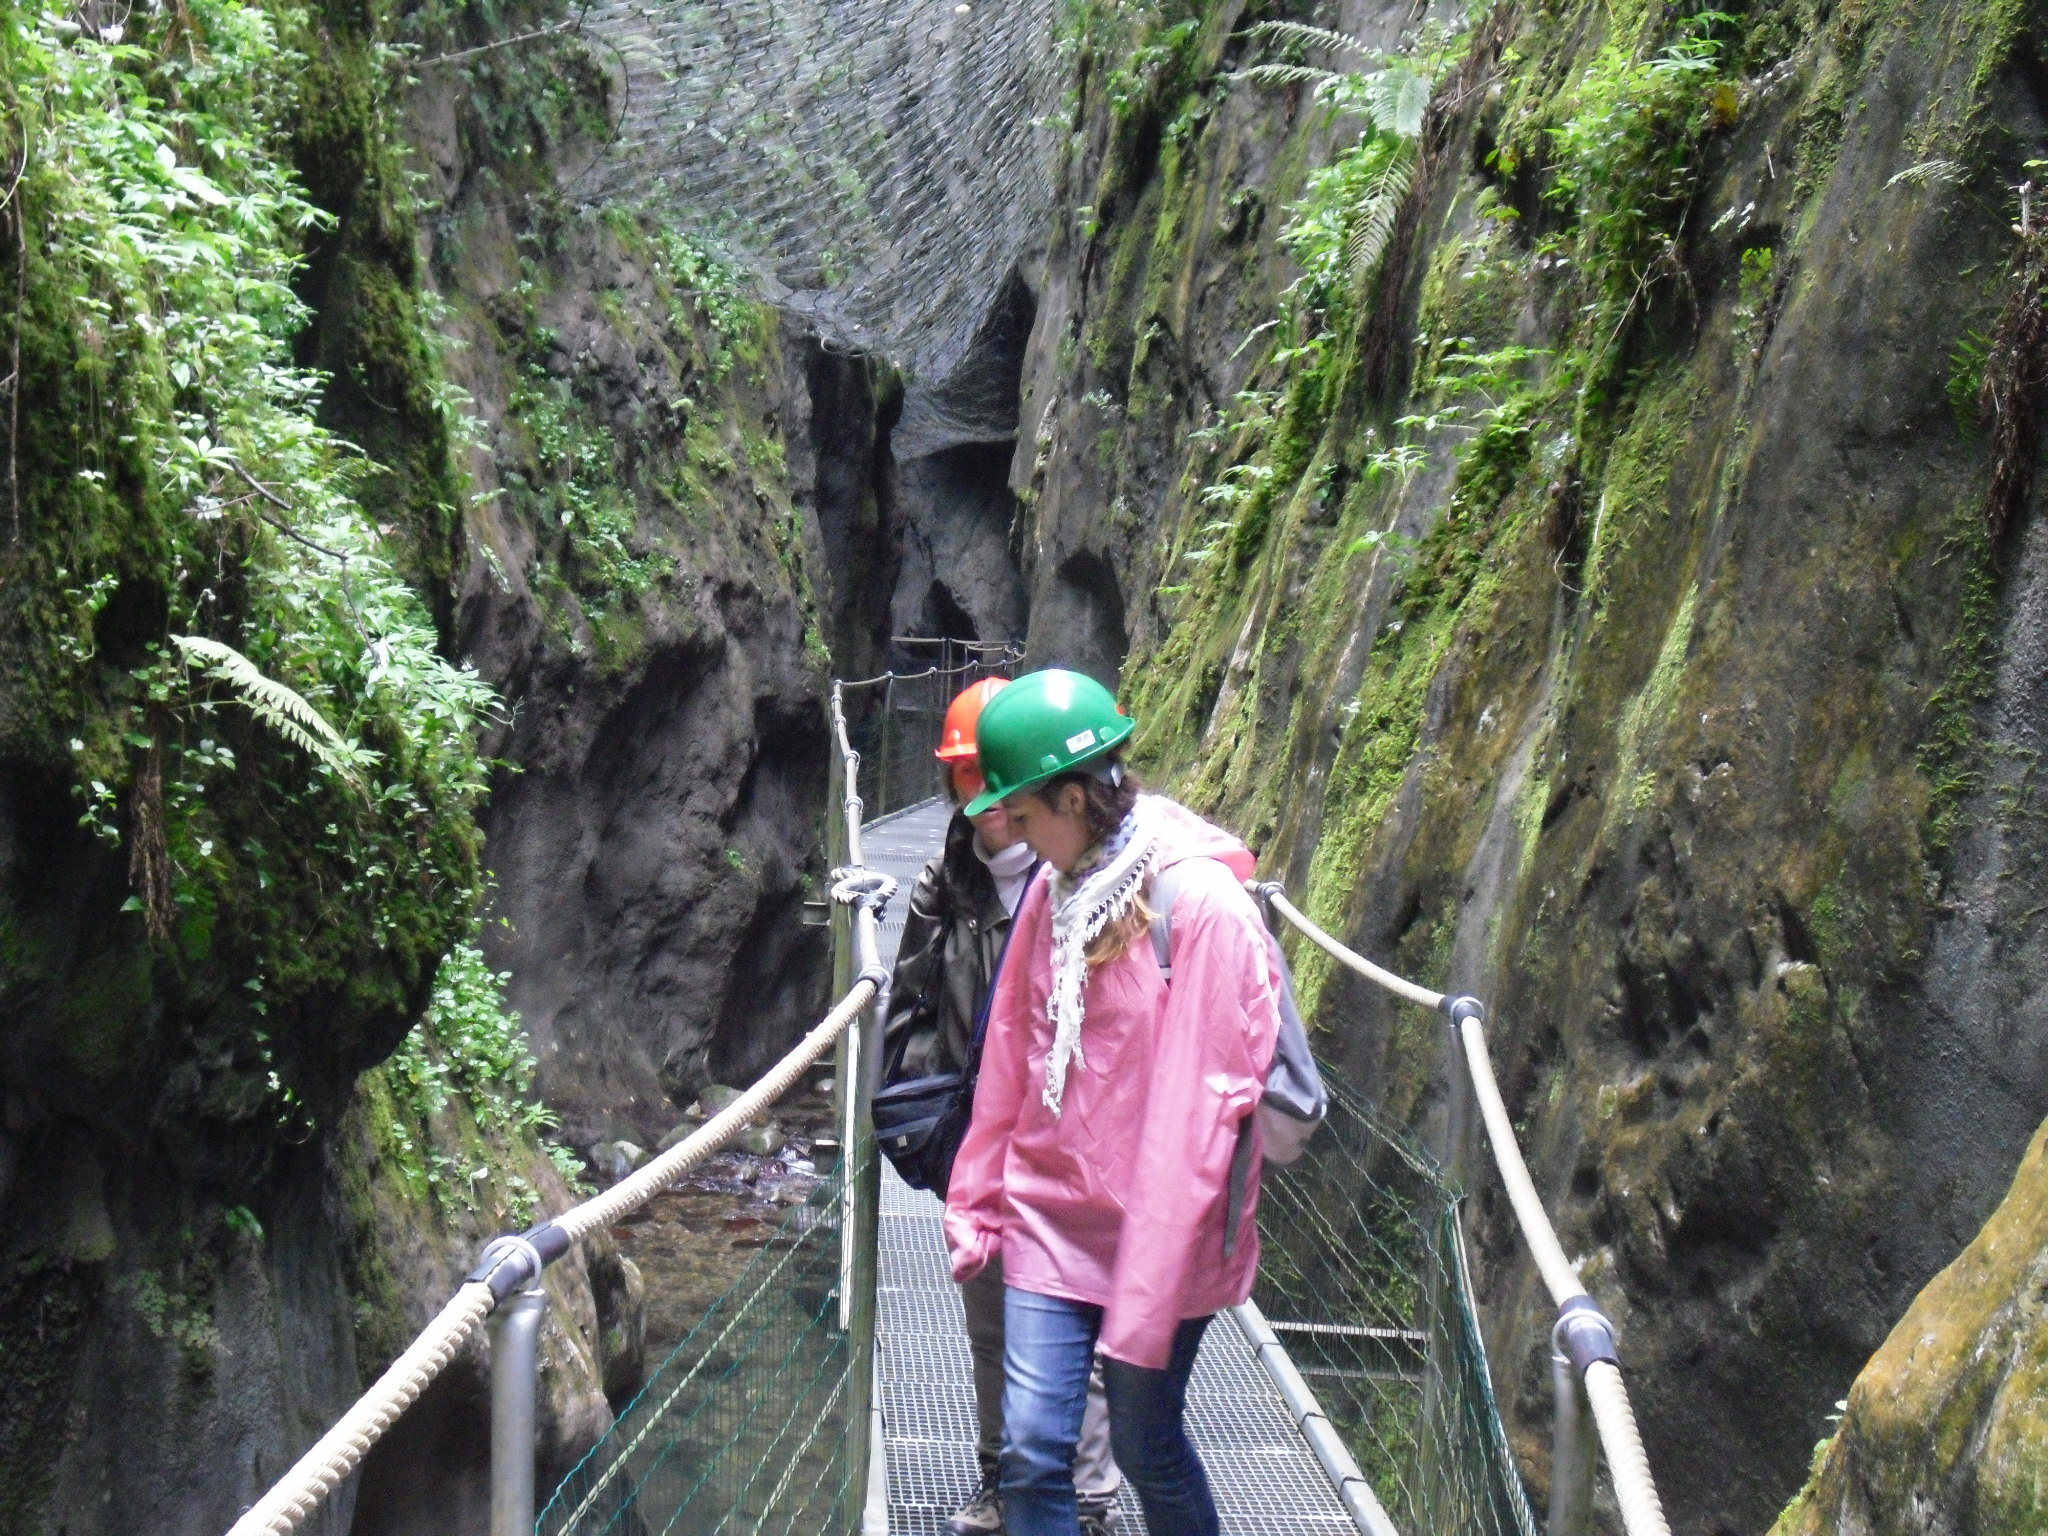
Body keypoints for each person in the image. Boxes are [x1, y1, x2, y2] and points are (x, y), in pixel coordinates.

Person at [944, 669, 1283, 1536]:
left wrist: (1145, 1287)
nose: (1013, 834)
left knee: (1144, 1445)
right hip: (1052, 1214)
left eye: (1024, 815)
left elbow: (1199, 1113)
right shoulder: (1055, 892)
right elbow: (1012, 1050)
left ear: (1073, 799)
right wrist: (977, 1198)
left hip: (1163, 1233)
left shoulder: (1200, 906)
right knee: (1030, 1448)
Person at [883, 677, 1123, 1536]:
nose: (985, 798)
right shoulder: (945, 880)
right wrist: (942, 1120)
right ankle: (1003, 1479)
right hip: (979, 1142)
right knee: (991, 1318)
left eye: (995, 777)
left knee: (1073, 1319)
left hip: (1067, 1139)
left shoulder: (1085, 879)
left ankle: (1083, 1495)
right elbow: (908, 1008)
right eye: (965, 776)